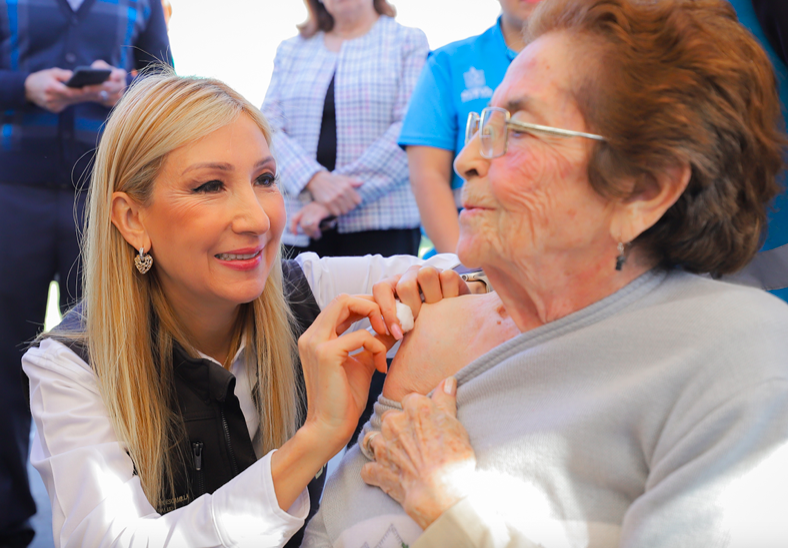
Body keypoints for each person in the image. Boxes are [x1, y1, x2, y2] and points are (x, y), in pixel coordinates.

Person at [302, 0, 788, 546]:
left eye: (521, 131)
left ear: (644, 189)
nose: (465, 160)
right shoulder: (437, 325)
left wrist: (452, 511)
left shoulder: (739, 356)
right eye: (486, 124)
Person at [21, 72, 466, 548]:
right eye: (210, 186)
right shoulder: (70, 364)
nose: (256, 218)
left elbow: (486, 273)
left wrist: (444, 286)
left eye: (265, 179)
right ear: (132, 219)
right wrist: (314, 440)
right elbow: (111, 540)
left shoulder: (316, 290)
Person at [0, 1, 171, 545]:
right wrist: (24, 86)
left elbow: (162, 78)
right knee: (2, 363)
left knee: (114, 354)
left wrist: (129, 89)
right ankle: (7, 522)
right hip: (9, 194)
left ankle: (117, 517)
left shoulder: (141, 3)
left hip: (104, 199)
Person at [261, 0, 427, 259]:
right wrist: (313, 180)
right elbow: (267, 127)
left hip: (383, 224)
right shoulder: (290, 50)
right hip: (300, 225)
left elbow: (410, 128)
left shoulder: (407, 41)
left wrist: (329, 203)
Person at [398, 0, 542, 255]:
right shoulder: (449, 62)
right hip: (473, 248)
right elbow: (427, 176)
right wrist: (466, 268)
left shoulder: (601, 61)